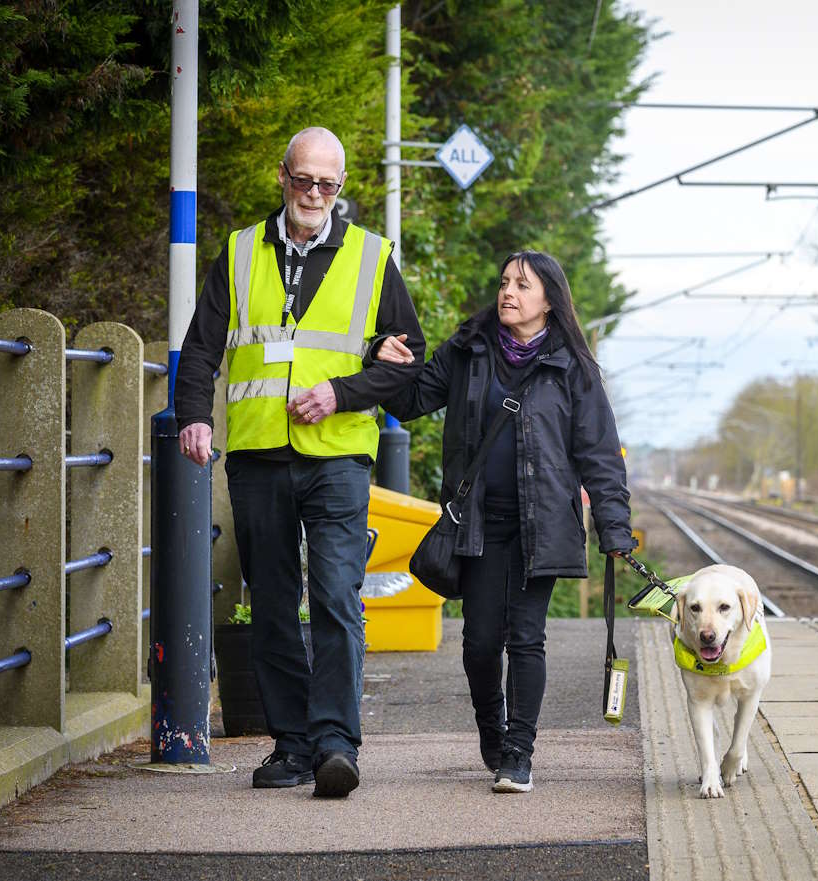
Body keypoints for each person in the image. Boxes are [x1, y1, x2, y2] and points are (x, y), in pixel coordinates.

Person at [174, 126, 425, 798]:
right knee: (274, 604)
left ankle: (336, 745)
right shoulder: (237, 253)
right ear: (282, 176)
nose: (315, 193)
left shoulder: (373, 259)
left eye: (328, 184)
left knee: (338, 595)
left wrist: (341, 392)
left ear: (340, 189)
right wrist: (195, 413)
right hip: (257, 453)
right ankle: (290, 744)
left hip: (338, 454)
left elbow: (406, 361)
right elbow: (201, 348)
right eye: (304, 179)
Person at [374, 250, 633, 794]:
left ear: (549, 300)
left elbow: (600, 454)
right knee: (479, 642)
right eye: (504, 282)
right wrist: (384, 359)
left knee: (527, 638)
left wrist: (614, 528)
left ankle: (518, 752)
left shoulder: (572, 368)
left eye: (523, 284)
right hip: (478, 524)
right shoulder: (469, 350)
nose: (508, 292)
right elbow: (414, 398)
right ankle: (491, 732)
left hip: (542, 526)